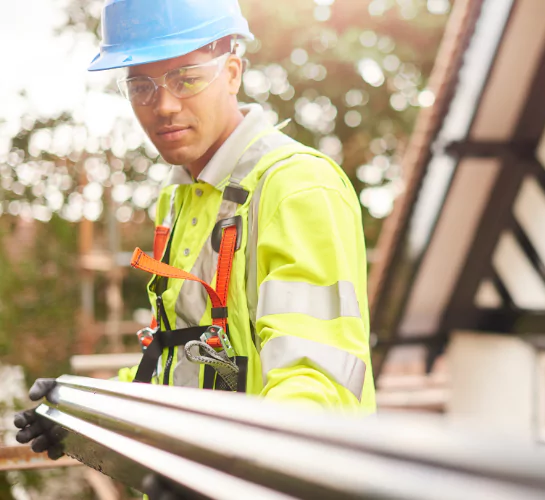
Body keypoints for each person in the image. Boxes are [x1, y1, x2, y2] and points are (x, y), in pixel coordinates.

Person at [15, 0, 376, 485]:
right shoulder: (183, 200)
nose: (163, 106)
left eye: (185, 78)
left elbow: (315, 381)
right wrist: (77, 409)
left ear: (232, 72)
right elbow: (181, 363)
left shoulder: (297, 187)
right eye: (141, 85)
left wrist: (229, 478)